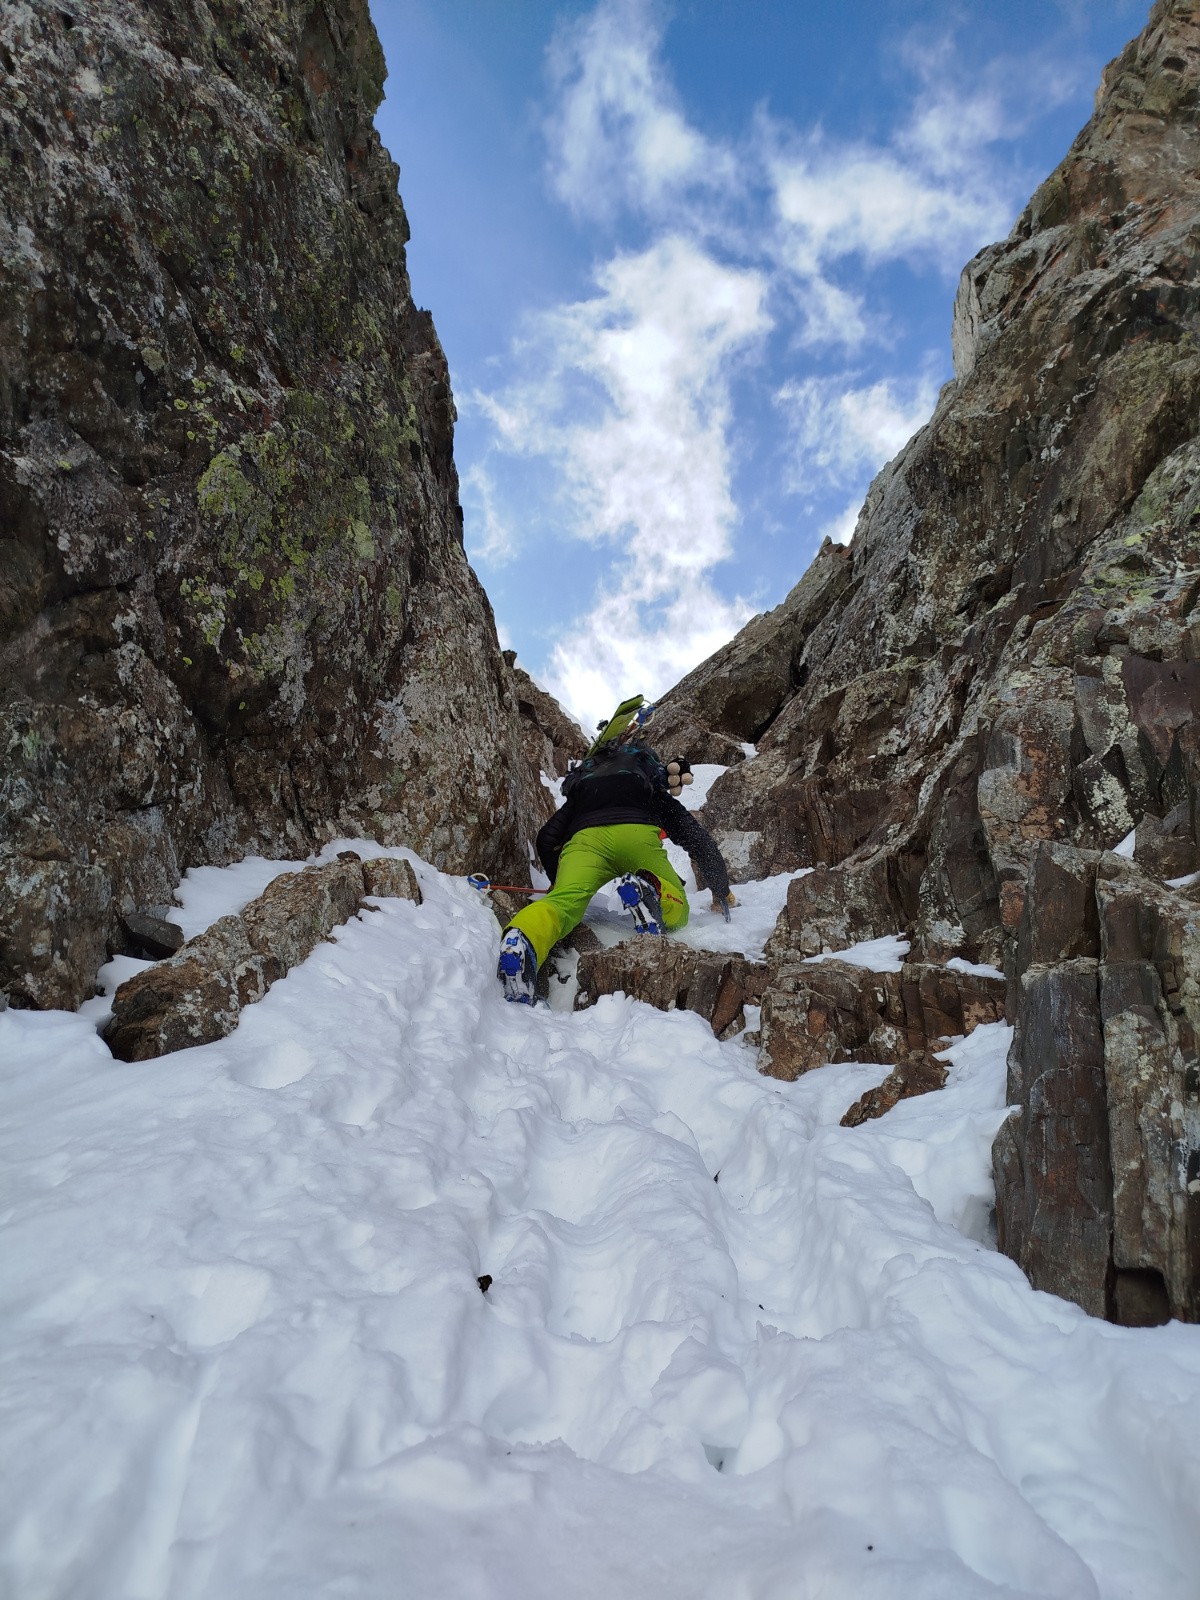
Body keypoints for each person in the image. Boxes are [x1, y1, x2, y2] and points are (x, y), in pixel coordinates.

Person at [496, 733, 735, 1003]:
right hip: (637, 835)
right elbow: (698, 840)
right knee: (677, 906)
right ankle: (650, 891)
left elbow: (547, 838)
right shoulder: (647, 788)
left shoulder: (584, 793)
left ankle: (523, 937)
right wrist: (721, 890)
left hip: (584, 842)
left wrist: (559, 882)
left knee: (562, 905)